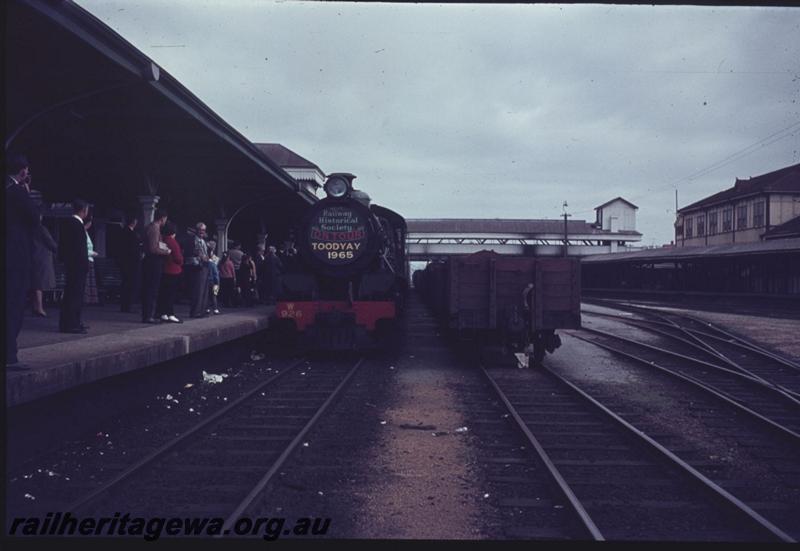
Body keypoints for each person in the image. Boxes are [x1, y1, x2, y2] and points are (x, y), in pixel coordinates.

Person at [6, 154, 40, 367]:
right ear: (22, 170)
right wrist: (27, 193)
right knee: (14, 303)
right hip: (15, 255)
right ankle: (9, 355)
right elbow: (34, 218)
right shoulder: (17, 192)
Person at [59, 199, 91, 334]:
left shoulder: (67, 223)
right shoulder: (78, 225)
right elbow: (80, 248)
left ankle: (70, 322)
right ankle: (72, 324)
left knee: (70, 293)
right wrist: (86, 263)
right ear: (84, 210)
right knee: (76, 295)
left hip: (70, 264)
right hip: (78, 265)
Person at [141, 209, 170, 323]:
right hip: (153, 262)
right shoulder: (154, 228)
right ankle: (148, 316)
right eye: (165, 219)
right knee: (151, 289)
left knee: (151, 288)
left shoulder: (153, 227)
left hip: (152, 261)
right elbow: (153, 248)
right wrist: (166, 252)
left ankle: (148, 314)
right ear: (162, 218)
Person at [156, 221, 183, 323]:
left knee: (163, 293)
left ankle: (163, 313)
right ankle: (170, 313)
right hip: (173, 270)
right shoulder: (172, 242)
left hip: (164, 270)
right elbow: (178, 258)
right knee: (171, 294)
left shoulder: (162, 240)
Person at [30, 214, 57, 317]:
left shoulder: (29, 229)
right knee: (39, 284)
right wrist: (58, 250)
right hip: (42, 257)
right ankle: (40, 308)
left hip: (33, 257)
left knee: (35, 283)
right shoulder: (41, 228)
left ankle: (35, 306)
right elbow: (50, 242)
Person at [117, 212, 142, 313]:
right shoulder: (132, 234)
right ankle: (127, 305)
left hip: (124, 261)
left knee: (125, 283)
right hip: (131, 262)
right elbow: (133, 248)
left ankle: (125, 305)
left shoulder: (122, 232)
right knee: (130, 283)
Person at [184, 222, 210, 318]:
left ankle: (202, 310)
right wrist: (197, 255)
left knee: (204, 290)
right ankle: (195, 312)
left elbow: (206, 253)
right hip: (196, 266)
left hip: (205, 265)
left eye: (204, 230)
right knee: (197, 290)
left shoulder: (204, 241)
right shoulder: (192, 240)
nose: (202, 232)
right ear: (197, 230)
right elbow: (188, 252)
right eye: (200, 230)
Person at [83, 217, 100, 305]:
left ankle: (90, 299)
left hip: (90, 259)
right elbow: (83, 248)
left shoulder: (86, 232)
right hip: (87, 258)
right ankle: (86, 299)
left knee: (90, 281)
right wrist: (92, 253)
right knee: (87, 281)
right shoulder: (82, 232)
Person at [206, 240, 221, 315]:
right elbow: (216, 273)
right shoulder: (215, 261)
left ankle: (207, 308)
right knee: (214, 295)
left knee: (208, 295)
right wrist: (218, 283)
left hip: (208, 280)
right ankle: (215, 309)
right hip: (215, 281)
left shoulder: (206, 261)